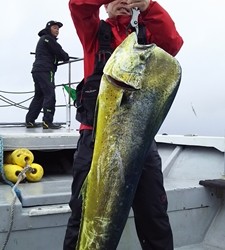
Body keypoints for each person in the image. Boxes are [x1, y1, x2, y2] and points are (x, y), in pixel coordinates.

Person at [64, 0, 183, 249]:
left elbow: (172, 45)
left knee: (154, 212)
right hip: (94, 138)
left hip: (139, 141)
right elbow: (79, 6)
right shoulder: (95, 33)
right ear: (104, 7)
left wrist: (149, 6)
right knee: (84, 212)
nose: (121, 3)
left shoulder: (143, 38)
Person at [25, 20, 69, 129]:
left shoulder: (44, 39)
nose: (57, 30)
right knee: (50, 95)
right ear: (49, 28)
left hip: (37, 70)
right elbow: (60, 52)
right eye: (55, 28)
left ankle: (30, 121)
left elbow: (54, 52)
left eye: (58, 29)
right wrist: (66, 57)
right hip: (46, 70)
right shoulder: (48, 39)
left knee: (39, 96)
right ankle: (47, 121)